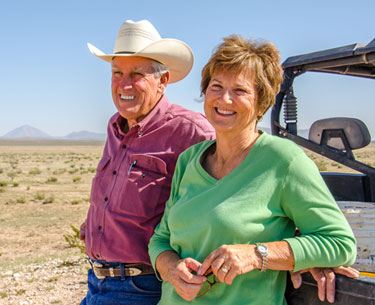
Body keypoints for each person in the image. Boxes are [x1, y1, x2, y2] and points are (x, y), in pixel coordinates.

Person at [148, 35, 357, 305]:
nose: (224, 98)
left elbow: (339, 243)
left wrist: (257, 255)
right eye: (216, 86)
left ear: (261, 102)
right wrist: (171, 270)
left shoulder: (283, 160)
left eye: (240, 90)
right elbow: (160, 240)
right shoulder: (190, 160)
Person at [79, 19, 215, 305]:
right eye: (117, 73)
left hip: (143, 286)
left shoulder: (192, 131)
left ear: (162, 81)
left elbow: (235, 193)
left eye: (136, 74)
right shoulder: (116, 126)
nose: (124, 84)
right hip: (96, 281)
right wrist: (98, 224)